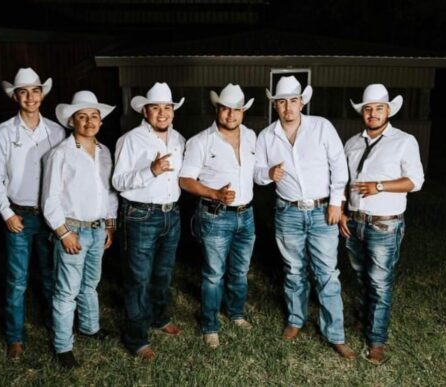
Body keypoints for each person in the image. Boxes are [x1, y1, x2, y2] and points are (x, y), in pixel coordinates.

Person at [254, 75, 356, 360]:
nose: (288, 107)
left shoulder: (322, 127)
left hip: (323, 210)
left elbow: (340, 167)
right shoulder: (266, 136)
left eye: (294, 101)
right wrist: (267, 174)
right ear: (275, 105)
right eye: (282, 101)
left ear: (302, 102)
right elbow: (257, 173)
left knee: (327, 274)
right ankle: (295, 320)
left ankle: (335, 334)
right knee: (294, 271)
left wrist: (336, 203)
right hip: (288, 212)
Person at [339, 84, 424, 365]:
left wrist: (379, 186)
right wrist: (342, 212)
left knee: (380, 283)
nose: (373, 113)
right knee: (363, 278)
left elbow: (415, 181)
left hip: (384, 225)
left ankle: (377, 341)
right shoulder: (351, 143)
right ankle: (366, 321)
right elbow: (343, 182)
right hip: (355, 222)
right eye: (368, 109)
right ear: (362, 113)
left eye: (378, 108)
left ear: (388, 111)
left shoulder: (404, 141)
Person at [0, 67, 66, 360]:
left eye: (35, 91)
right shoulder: (4, 132)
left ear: (42, 94)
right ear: (16, 97)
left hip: (48, 216)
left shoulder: (56, 131)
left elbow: (63, 176)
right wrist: (7, 212)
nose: (30, 97)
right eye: (24, 92)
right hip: (18, 214)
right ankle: (15, 337)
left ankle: (52, 325)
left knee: (50, 275)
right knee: (17, 279)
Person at [41, 90, 118, 369]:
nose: (89, 121)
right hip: (72, 229)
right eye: (82, 116)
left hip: (98, 230)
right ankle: (63, 346)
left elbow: (108, 192)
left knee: (90, 285)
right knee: (66, 291)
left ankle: (90, 327)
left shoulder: (104, 151)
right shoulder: (59, 154)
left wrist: (110, 224)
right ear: (72, 121)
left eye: (94, 116)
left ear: (100, 121)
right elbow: (49, 198)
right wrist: (63, 233)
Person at [179, 84, 257, 349]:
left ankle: (235, 313)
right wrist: (214, 193)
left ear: (243, 112)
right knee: (213, 273)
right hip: (215, 216)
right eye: (226, 109)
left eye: (237, 110)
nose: (231, 115)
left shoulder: (251, 136)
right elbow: (185, 180)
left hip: (246, 215)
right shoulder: (201, 141)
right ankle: (210, 324)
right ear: (217, 109)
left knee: (240, 270)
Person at [112, 82, 185, 360]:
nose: (162, 113)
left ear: (173, 112)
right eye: (156, 108)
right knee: (138, 279)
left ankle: (158, 317)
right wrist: (150, 170)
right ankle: (136, 337)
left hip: (172, 214)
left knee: (163, 274)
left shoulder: (179, 139)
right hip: (141, 215)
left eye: (167, 108)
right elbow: (118, 181)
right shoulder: (130, 140)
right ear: (145, 111)